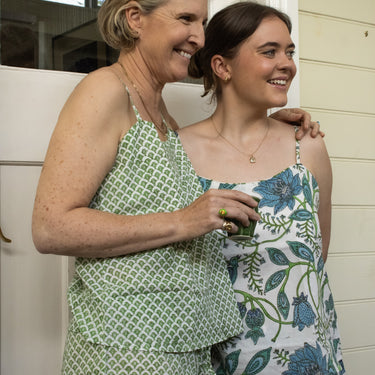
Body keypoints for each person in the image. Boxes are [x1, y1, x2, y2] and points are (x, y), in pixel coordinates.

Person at [32, 0, 321, 374]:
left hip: (183, 349)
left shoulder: (163, 114)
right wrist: (183, 221)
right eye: (185, 19)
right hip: (125, 349)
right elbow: (50, 227)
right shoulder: (103, 90)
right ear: (135, 19)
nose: (199, 37)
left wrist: (267, 125)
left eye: (202, 22)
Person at [180, 2, 345, 374]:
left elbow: (316, 260)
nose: (286, 63)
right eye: (269, 52)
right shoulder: (179, 153)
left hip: (310, 357)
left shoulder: (308, 146)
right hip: (218, 360)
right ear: (222, 66)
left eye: (289, 52)